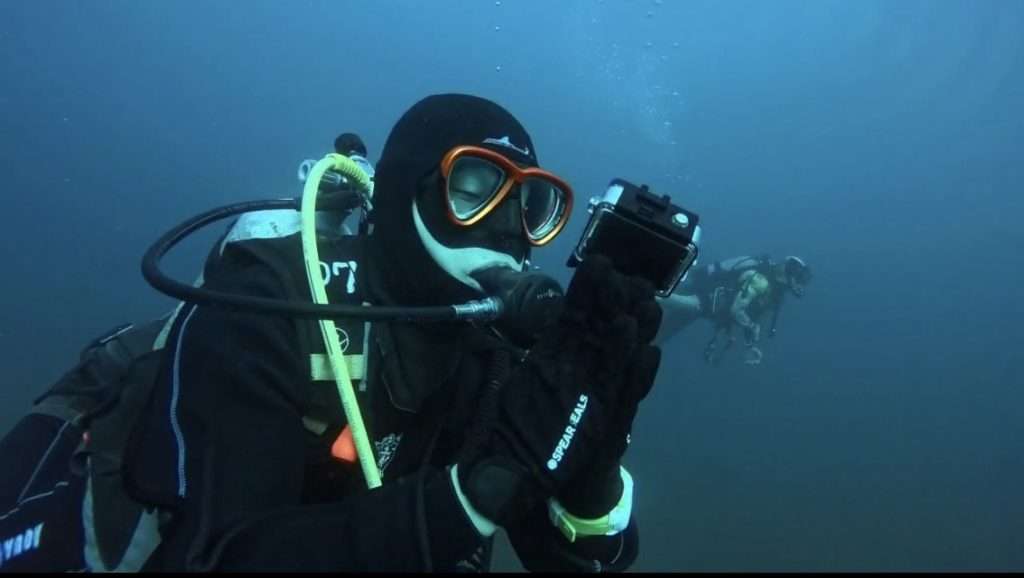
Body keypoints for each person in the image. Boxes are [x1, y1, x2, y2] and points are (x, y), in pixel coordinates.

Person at [0, 94, 663, 572]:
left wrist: (593, 461)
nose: (508, 226)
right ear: (405, 190)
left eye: (532, 204)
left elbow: (593, 558)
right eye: (475, 187)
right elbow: (213, 556)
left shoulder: (492, 359)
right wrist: (478, 493)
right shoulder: (272, 300)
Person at [655, 254, 812, 366]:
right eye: (800, 279)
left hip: (707, 308)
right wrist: (751, 328)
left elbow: (752, 316)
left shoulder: (775, 295)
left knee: (660, 331)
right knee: (665, 302)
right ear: (790, 274)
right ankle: (644, 288)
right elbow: (736, 310)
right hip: (704, 301)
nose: (800, 284)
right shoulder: (760, 282)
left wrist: (750, 345)